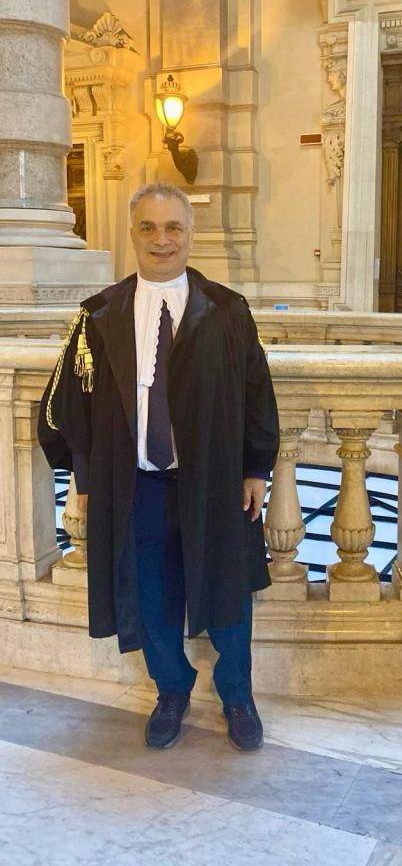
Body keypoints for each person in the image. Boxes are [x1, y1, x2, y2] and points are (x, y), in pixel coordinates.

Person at [38, 183, 280, 752]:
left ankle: (238, 695)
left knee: (227, 592)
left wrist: (256, 467)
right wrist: (86, 475)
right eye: (148, 227)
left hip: (214, 480)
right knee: (150, 596)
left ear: (190, 235)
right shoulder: (100, 314)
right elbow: (67, 402)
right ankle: (171, 690)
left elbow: (257, 393)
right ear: (133, 234)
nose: (161, 239)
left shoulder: (227, 310)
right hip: (135, 486)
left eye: (173, 227)